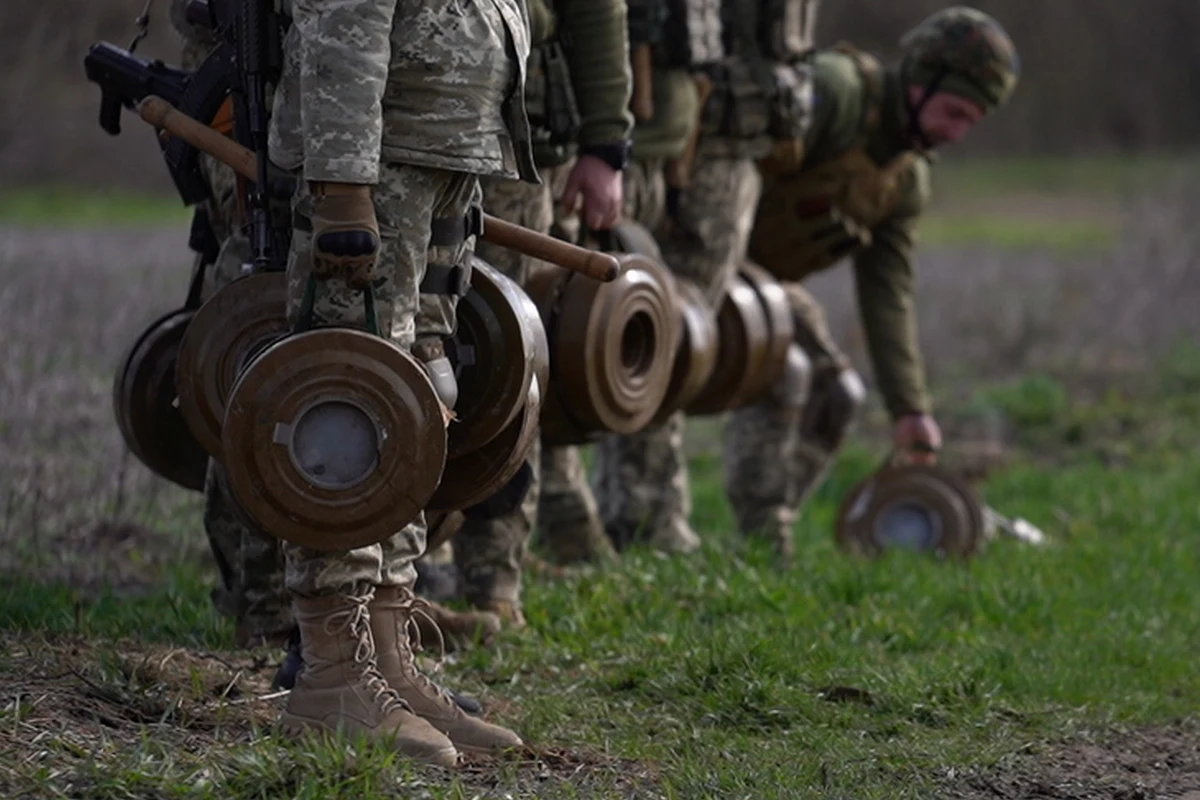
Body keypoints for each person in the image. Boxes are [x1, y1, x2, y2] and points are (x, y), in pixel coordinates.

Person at [258, 0, 542, 764]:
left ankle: (386, 657)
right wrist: (343, 184)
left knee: (419, 396)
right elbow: (343, 18)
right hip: (381, 157)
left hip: (445, 150)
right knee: (354, 397)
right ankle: (332, 676)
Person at [724, 6, 1021, 555]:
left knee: (833, 393)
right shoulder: (837, 93)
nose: (956, 133)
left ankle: (761, 541)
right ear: (921, 81)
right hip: (699, 260)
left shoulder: (904, 182)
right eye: (953, 111)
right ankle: (641, 524)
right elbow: (727, 162)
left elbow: (888, 297)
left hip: (761, 285)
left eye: (971, 122)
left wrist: (911, 412)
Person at [592, 0, 820, 553]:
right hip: (685, 135)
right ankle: (643, 514)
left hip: (716, 134)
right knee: (660, 329)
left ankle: (644, 511)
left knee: (670, 330)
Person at [445, 0, 635, 629]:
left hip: (512, 141)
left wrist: (605, 144)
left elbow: (597, 9)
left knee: (503, 356)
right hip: (395, 132)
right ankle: (405, 570)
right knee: (407, 351)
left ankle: (492, 577)